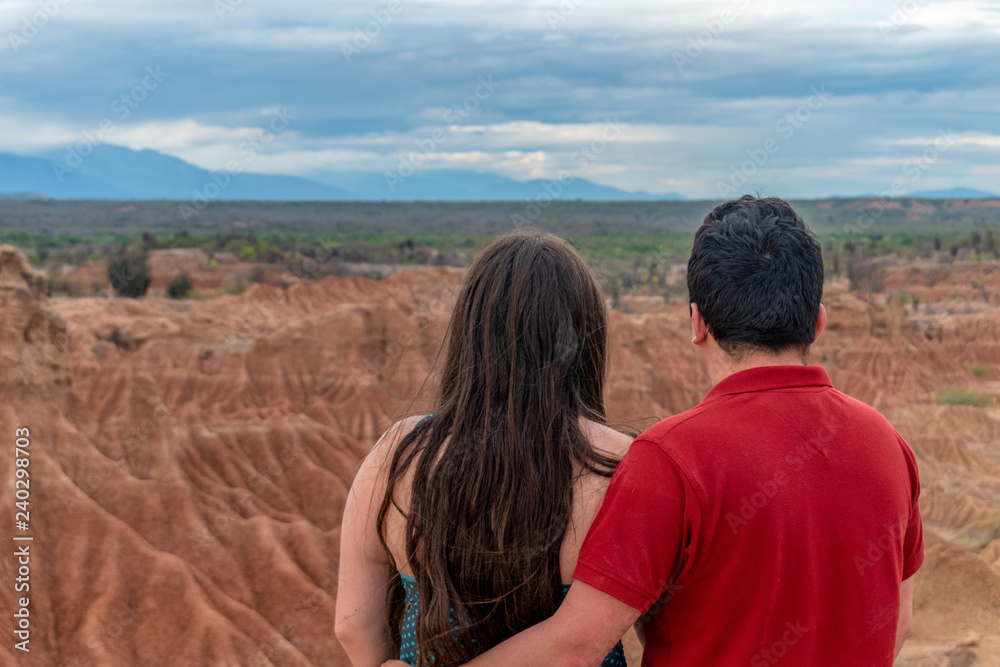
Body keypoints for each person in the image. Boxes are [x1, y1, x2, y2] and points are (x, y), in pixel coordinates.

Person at [384, 195, 923, 666]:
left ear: (697, 323)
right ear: (818, 320)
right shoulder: (889, 445)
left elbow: (574, 648)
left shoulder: (672, 458)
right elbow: (896, 625)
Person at [335, 229, 633, 667]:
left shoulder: (397, 454)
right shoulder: (622, 465)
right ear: (586, 340)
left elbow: (352, 624)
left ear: (469, 332)